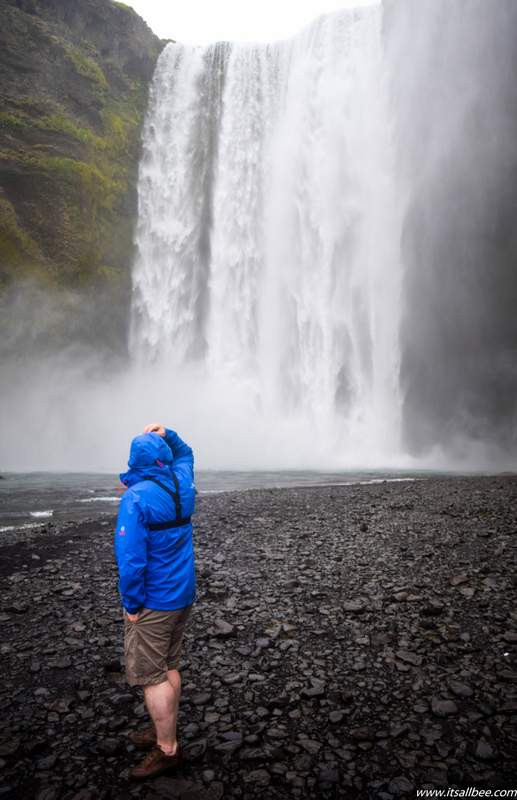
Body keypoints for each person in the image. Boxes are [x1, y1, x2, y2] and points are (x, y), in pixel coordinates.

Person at [114, 422, 196, 780]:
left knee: (152, 676)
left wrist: (132, 605)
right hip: (183, 593)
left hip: (154, 601)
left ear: (135, 460)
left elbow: (131, 560)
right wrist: (170, 434)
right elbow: (186, 454)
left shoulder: (136, 498)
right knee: (169, 664)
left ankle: (167, 749)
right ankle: (164, 727)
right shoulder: (183, 482)